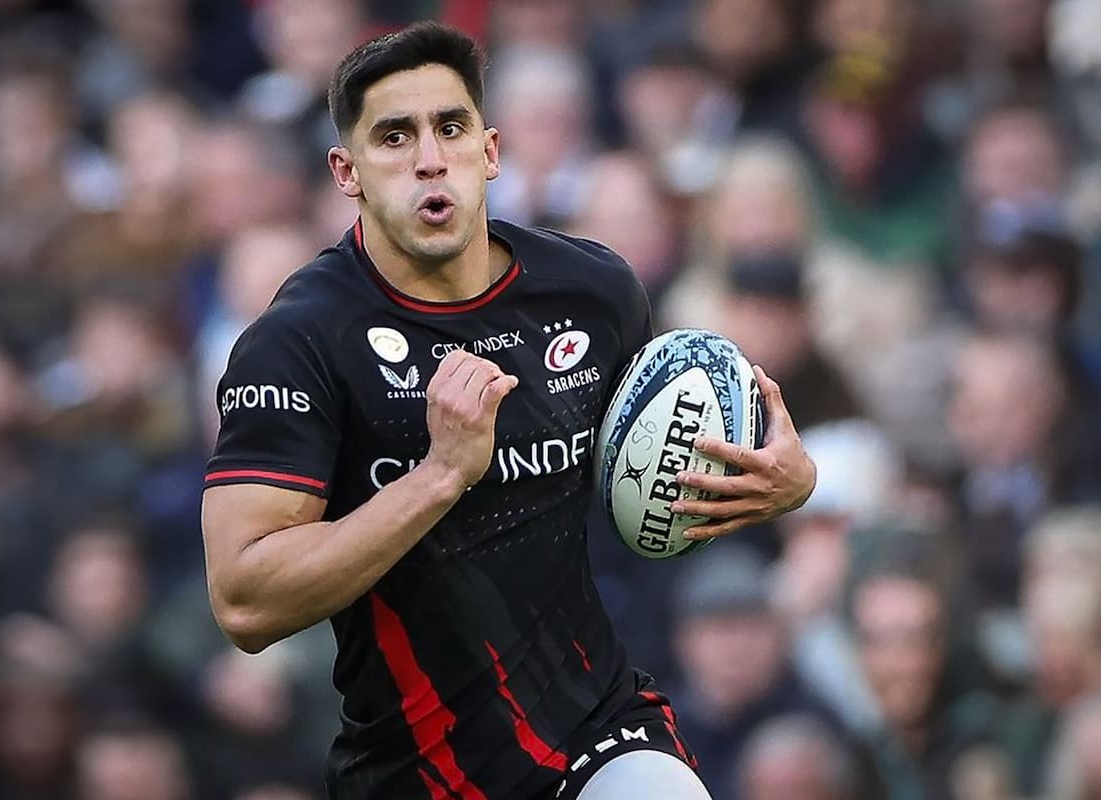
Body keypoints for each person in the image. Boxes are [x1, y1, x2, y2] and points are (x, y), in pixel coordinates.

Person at [200, 22, 816, 800]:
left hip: (599, 725)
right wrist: (438, 477)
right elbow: (245, 602)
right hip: (418, 768)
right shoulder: (298, 342)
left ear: (489, 151)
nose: (430, 157)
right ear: (346, 171)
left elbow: (660, 478)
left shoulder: (592, 293)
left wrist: (778, 485)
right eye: (394, 136)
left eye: (450, 128)